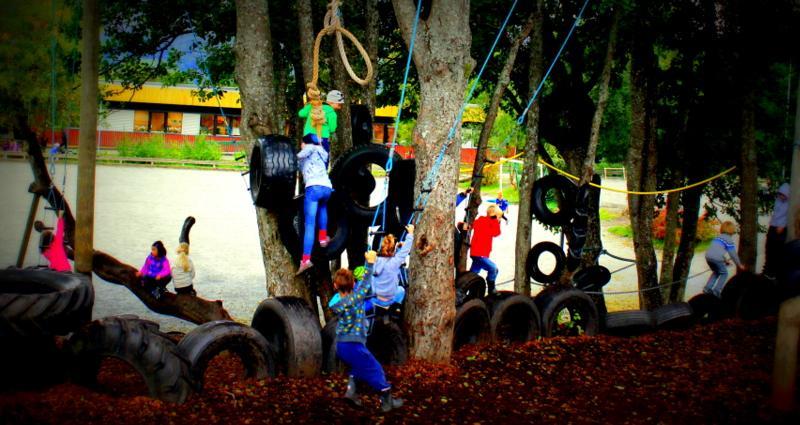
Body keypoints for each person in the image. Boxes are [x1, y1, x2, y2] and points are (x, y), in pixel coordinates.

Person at [330, 250, 403, 412]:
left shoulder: (335, 304)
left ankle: (351, 391)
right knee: (375, 369)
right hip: (354, 345)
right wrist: (369, 262)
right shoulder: (357, 298)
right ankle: (387, 401)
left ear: (335, 286)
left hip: (341, 345)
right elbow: (366, 282)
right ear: (353, 285)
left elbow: (359, 287)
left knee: (359, 366)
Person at [296, 139, 333, 275]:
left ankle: (305, 260)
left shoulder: (307, 149)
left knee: (310, 225)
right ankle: (323, 239)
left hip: (313, 187)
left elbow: (295, 160)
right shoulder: (323, 152)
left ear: (305, 142)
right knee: (323, 208)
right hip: (327, 188)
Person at [372, 225, 415, 307]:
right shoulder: (395, 262)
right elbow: (406, 250)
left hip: (375, 299)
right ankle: (396, 309)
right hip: (389, 300)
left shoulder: (375, 260)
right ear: (393, 250)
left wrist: (398, 249)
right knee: (401, 290)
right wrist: (410, 233)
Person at [297, 89, 344, 163]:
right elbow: (332, 129)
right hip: (322, 139)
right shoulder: (332, 113)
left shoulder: (313, 106)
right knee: (322, 161)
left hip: (308, 138)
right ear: (331, 102)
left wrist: (308, 106)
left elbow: (301, 113)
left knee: (308, 161)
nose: (340, 107)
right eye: (339, 104)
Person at [703, 221, 746, 298]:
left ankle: (707, 288)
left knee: (716, 271)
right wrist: (739, 265)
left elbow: (716, 250)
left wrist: (725, 259)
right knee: (724, 273)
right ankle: (717, 290)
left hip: (708, 257)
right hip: (716, 258)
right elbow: (733, 254)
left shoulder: (718, 237)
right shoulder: (728, 239)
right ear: (731, 230)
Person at [469, 204, 503, 295]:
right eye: (499, 217)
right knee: (493, 269)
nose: (499, 220)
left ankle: (468, 290)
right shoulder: (489, 223)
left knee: (473, 273)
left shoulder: (481, 221)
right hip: (480, 254)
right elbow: (497, 233)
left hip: (477, 253)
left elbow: (474, 225)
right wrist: (494, 220)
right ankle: (491, 288)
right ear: (493, 216)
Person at [763, 183, 791, 279]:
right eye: (780, 194)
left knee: (778, 250)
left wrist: (783, 225)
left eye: (783, 195)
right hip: (773, 226)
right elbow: (776, 214)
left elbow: (788, 216)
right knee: (769, 248)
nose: (781, 196)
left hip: (781, 228)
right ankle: (768, 270)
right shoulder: (778, 201)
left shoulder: (790, 203)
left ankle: (775, 273)